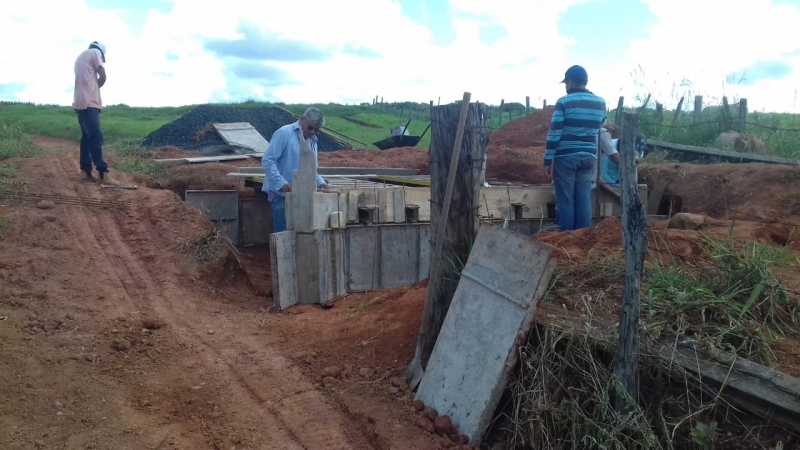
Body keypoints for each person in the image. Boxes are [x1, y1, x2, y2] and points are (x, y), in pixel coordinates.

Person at [544, 65, 607, 231]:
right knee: (583, 200)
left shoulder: (564, 102)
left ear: (571, 82)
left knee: (565, 201)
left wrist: (548, 159)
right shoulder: (601, 103)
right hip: (589, 157)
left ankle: (566, 242)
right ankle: (582, 242)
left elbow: (555, 132)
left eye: (566, 82)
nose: (566, 86)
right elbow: (600, 124)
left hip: (566, 157)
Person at [261, 108, 330, 233]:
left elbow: (310, 168)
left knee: (299, 236)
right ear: (302, 119)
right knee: (283, 236)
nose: (312, 132)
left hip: (302, 196)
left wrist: (320, 182)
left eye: (316, 130)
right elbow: (268, 160)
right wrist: (281, 183)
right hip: (281, 196)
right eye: (310, 128)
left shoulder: (313, 141)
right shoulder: (284, 133)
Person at [73, 41, 119, 185]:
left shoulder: (80, 57)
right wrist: (95, 89)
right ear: (101, 51)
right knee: (96, 137)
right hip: (90, 103)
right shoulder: (96, 53)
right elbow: (103, 76)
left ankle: (85, 172)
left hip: (80, 102)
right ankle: (103, 173)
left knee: (86, 138)